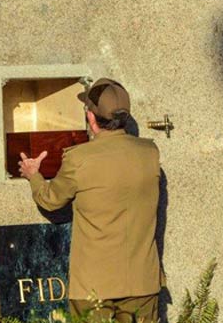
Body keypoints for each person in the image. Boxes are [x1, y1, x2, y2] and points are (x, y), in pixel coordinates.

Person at [18, 78, 162, 323]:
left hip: (94, 287)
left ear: (91, 118)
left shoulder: (80, 158)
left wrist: (34, 176)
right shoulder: (150, 153)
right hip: (143, 281)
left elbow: (50, 200)